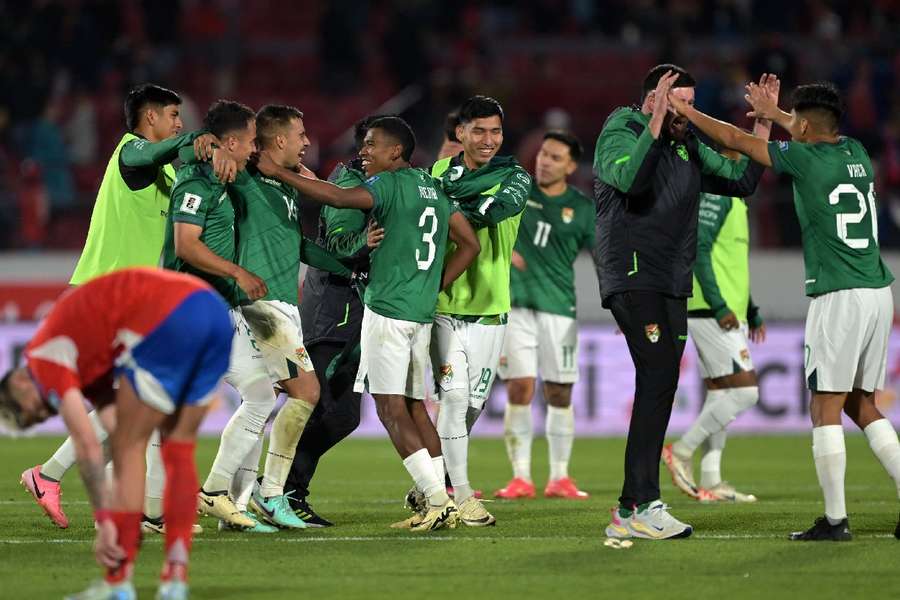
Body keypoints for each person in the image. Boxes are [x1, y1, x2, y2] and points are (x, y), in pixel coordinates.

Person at [668, 80, 900, 541]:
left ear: (808, 128)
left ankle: (835, 520)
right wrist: (774, 113)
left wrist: (686, 113)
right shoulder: (854, 152)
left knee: (824, 405)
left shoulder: (804, 158)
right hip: (877, 292)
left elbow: (734, 141)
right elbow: (805, 127)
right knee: (861, 403)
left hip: (838, 295)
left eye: (796, 122)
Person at [255, 115, 481, 531]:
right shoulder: (428, 188)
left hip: (381, 310)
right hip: (377, 311)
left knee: (382, 409)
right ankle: (275, 490)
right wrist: (431, 285)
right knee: (392, 408)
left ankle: (435, 500)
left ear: (393, 150)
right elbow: (470, 243)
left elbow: (338, 201)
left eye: (371, 145)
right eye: (364, 144)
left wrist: (280, 174)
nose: (364, 152)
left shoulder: (384, 184)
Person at [21, 84, 222, 534]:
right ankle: (59, 479)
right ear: (149, 118)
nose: (179, 123)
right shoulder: (130, 153)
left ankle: (101, 499)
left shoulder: (165, 173)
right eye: (173, 115)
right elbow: (142, 158)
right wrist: (189, 143)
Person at [593, 64, 770, 540]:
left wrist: (763, 124)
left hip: (672, 280)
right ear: (653, 98)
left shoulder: (686, 140)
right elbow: (629, 179)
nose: (686, 112)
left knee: (663, 382)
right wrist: (654, 124)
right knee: (657, 376)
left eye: (692, 103)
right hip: (633, 272)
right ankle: (642, 504)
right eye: (678, 101)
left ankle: (633, 506)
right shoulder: (623, 126)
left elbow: (741, 180)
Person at [0, 268, 233, 600]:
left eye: (33, 412)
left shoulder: (42, 360)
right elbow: (110, 421)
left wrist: (106, 521)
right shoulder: (88, 357)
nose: (45, 415)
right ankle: (175, 579)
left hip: (169, 318)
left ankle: (118, 582)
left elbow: (89, 448)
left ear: (21, 383)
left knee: (130, 447)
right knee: (177, 448)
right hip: (213, 314)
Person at [194, 104, 351, 532]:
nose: (306, 141)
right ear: (278, 139)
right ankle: (270, 494)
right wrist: (211, 148)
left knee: (260, 399)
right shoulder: (245, 176)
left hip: (283, 305)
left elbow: (296, 245)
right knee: (307, 392)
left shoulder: (286, 189)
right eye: (300, 133)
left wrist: (348, 267)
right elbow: (211, 145)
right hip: (262, 307)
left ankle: (231, 498)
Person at [162, 99, 267, 531]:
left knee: (260, 396)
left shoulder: (225, 179)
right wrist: (237, 272)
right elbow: (186, 245)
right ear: (229, 142)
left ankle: (216, 493)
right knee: (159, 412)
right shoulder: (195, 183)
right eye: (251, 141)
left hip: (217, 313)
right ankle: (141, 506)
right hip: (187, 311)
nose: (255, 149)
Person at [430, 96, 532, 526]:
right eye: (478, 131)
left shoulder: (516, 177)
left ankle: (430, 485)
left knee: (471, 407)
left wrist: (445, 200)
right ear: (460, 134)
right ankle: (458, 494)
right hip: (442, 303)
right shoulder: (437, 172)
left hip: (491, 308)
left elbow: (493, 212)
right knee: (452, 400)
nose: (488, 140)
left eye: (495, 132)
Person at [284, 116, 376, 527]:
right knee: (315, 405)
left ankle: (277, 488)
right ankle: (281, 492)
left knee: (344, 415)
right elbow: (338, 241)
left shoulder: (375, 184)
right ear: (366, 148)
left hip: (357, 314)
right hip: (330, 311)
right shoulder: (346, 185)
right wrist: (366, 243)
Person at [495, 131, 594, 500]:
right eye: (542, 155)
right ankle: (520, 477)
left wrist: (621, 302)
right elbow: (484, 226)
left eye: (554, 157)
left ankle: (560, 477)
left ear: (570, 166)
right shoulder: (517, 194)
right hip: (516, 305)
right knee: (520, 387)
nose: (544, 161)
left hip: (559, 308)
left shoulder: (583, 208)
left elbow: (604, 257)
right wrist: (503, 254)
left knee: (559, 391)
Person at [662, 155, 766, 503]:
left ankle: (712, 479)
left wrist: (750, 307)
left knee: (721, 394)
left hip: (725, 309)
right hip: (710, 309)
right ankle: (681, 450)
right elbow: (700, 251)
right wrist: (721, 306)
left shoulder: (736, 200)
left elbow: (730, 262)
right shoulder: (718, 196)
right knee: (746, 392)